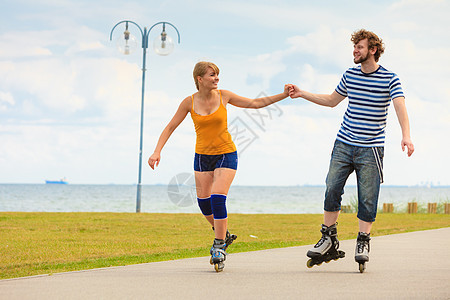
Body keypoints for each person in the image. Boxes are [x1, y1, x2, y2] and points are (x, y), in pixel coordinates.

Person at [289, 29, 414, 270]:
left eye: (360, 47)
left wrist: (406, 136)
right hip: (344, 143)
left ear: (373, 50)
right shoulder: (349, 75)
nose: (355, 51)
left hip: (371, 148)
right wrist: (302, 93)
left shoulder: (390, 78)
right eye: (354, 47)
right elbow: (331, 100)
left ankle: (363, 241)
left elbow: (400, 107)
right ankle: (328, 238)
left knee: (368, 197)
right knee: (331, 188)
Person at [148, 61, 290, 271]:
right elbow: (170, 127)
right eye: (212, 75)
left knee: (217, 197)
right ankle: (223, 233)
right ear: (199, 79)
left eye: (217, 75)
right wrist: (157, 151)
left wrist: (284, 94)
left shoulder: (224, 96)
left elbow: (255, 103)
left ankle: (219, 245)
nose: (216, 78)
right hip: (202, 157)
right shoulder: (189, 102)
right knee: (204, 204)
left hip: (226, 154)